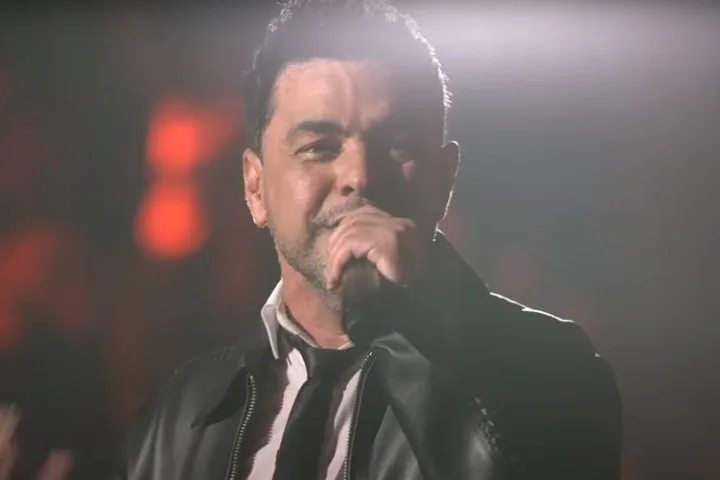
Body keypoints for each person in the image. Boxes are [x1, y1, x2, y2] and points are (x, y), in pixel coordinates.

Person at [124, 0, 623, 479]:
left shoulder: (552, 371)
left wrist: (413, 320)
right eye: (319, 147)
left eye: (397, 144)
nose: (360, 176)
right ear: (255, 188)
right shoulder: (178, 417)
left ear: (444, 180)